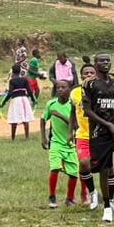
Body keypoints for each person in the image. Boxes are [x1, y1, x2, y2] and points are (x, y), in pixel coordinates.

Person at [83, 54, 114, 223]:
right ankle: (107, 206)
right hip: (98, 132)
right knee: (105, 168)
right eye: (102, 61)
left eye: (108, 60)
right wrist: (107, 125)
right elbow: (87, 111)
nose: (105, 63)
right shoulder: (89, 85)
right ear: (95, 64)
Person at [41, 79, 79, 209]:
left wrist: (59, 115)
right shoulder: (51, 104)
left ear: (70, 89)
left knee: (74, 173)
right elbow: (42, 119)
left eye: (64, 87)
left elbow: (75, 125)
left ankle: (70, 197)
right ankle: (52, 196)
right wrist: (43, 137)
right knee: (55, 168)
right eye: (58, 87)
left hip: (70, 144)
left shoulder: (73, 105)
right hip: (56, 143)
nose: (61, 90)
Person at [71, 63, 98, 207]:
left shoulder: (101, 89)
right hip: (82, 134)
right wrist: (71, 129)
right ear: (81, 75)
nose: (88, 75)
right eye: (85, 73)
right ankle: (86, 191)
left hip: (99, 134)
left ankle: (107, 198)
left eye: (91, 72)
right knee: (84, 163)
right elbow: (72, 112)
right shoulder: (75, 92)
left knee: (103, 167)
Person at [3, 62, 35, 140]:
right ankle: (27, 137)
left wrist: (4, 102)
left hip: (16, 100)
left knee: (14, 118)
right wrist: (34, 99)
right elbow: (30, 91)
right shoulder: (24, 80)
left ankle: (13, 137)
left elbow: (10, 93)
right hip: (24, 99)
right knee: (25, 118)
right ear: (20, 71)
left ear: (12, 71)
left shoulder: (12, 81)